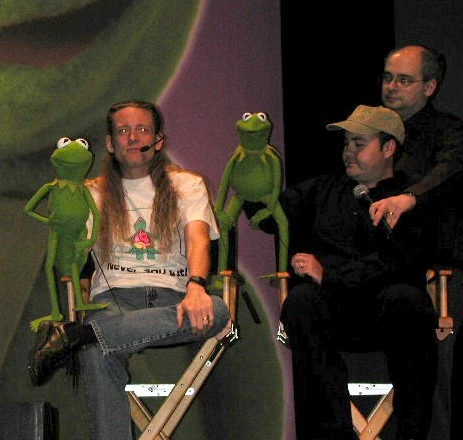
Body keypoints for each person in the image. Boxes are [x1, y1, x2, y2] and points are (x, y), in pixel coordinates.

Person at [27, 99, 231, 439]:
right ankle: (89, 337)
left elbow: (198, 240)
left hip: (175, 299)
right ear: (110, 143)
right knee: (96, 353)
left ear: (158, 140)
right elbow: (71, 258)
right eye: (123, 130)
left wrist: (197, 286)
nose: (133, 137)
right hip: (113, 300)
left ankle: (79, 336)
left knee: (220, 311)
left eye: (142, 129)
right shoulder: (90, 193)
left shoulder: (187, 184)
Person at [280, 105, 439, 440]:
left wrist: (330, 276)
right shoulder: (324, 189)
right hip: (333, 314)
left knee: (407, 299)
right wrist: (252, 184)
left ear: (388, 148)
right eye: (346, 143)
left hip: (386, 314)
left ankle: (411, 434)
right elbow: (272, 209)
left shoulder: (409, 198)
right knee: (302, 301)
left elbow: (399, 261)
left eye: (359, 143)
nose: (348, 152)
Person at [371, 44, 463, 440]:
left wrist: (409, 198)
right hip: (379, 274)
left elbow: (450, 170)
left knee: (433, 374)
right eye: (388, 77)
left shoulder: (448, 131)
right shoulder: (369, 133)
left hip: (434, 273)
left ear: (429, 86)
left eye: (404, 80)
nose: (392, 86)